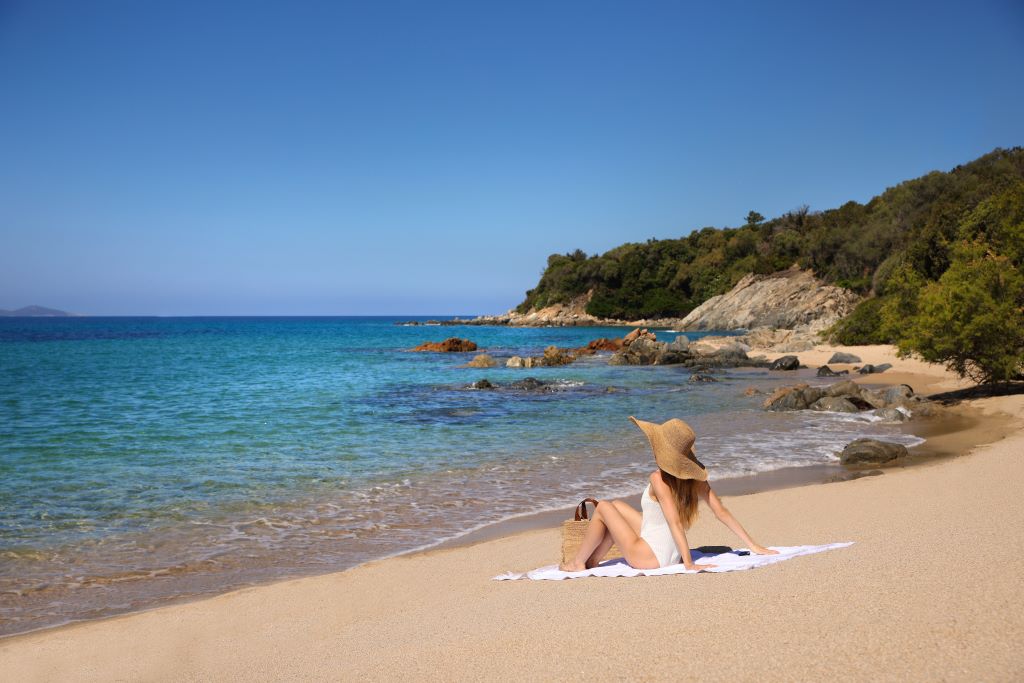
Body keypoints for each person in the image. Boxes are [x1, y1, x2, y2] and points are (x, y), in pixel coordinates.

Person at [559, 416, 778, 572]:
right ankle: (594, 559)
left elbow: (674, 522)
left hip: (649, 557)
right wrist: (753, 545)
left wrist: (689, 563)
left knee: (604, 507)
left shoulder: (658, 478)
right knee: (616, 505)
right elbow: (721, 512)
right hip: (669, 552)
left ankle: (578, 562)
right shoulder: (695, 480)